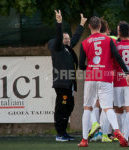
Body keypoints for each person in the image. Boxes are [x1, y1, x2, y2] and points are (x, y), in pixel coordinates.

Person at [78, 16, 129, 147]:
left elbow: (81, 65)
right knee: (108, 108)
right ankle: (117, 131)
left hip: (91, 77)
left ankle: (84, 140)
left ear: (90, 26)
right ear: (100, 26)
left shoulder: (84, 43)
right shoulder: (109, 40)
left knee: (87, 107)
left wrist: (91, 69)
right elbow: (118, 57)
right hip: (106, 77)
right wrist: (127, 73)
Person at [47, 10, 87, 142]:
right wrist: (59, 22)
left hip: (68, 84)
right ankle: (60, 134)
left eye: (68, 39)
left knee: (69, 106)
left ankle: (63, 132)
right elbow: (59, 38)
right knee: (62, 107)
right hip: (62, 84)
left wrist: (81, 25)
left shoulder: (68, 49)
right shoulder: (58, 47)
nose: (68, 40)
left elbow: (75, 38)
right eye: (65, 38)